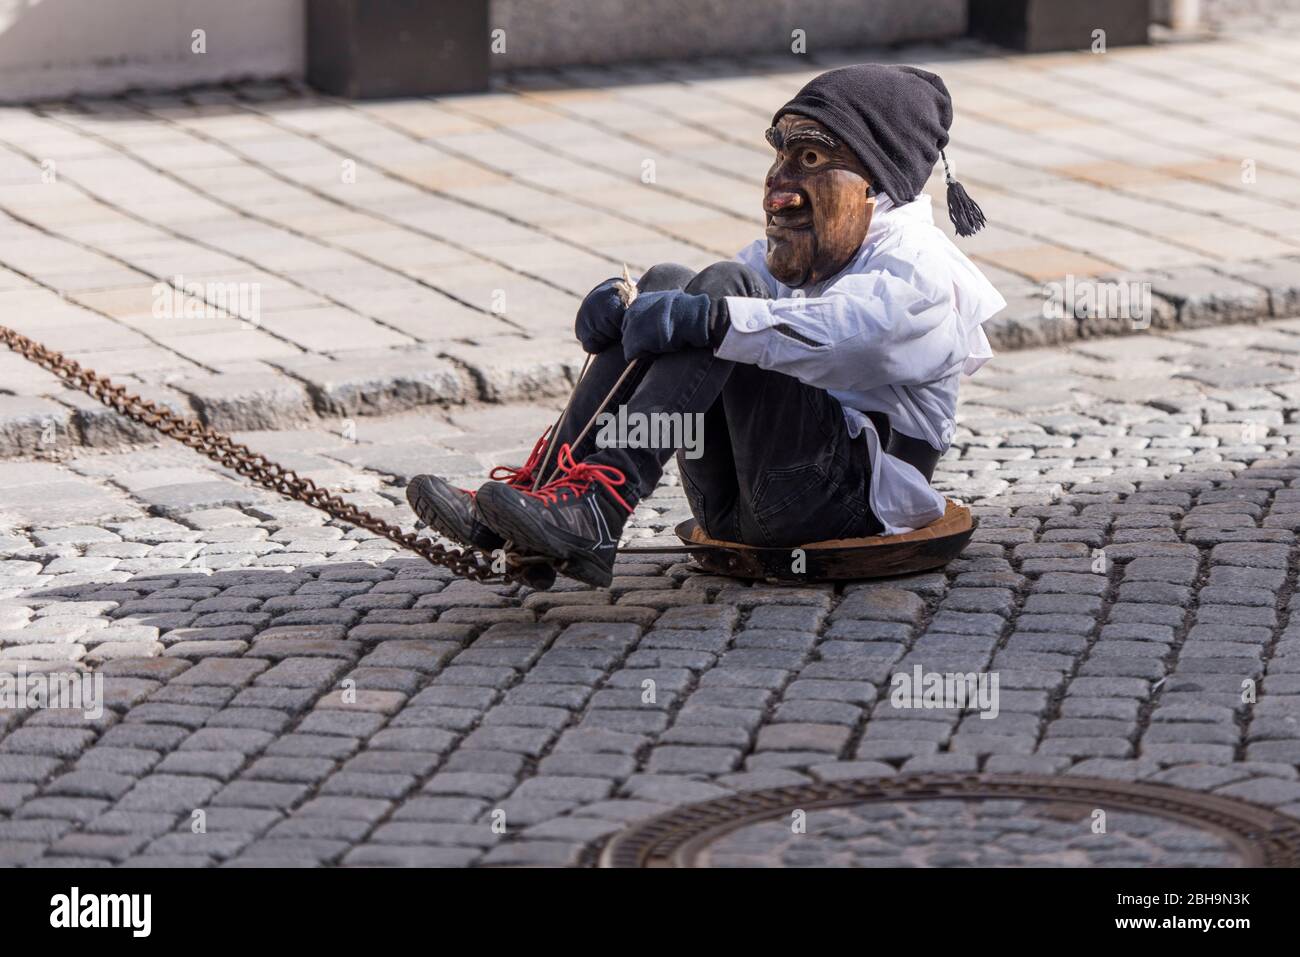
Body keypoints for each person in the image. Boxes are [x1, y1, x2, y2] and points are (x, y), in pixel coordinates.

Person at [407, 63, 1006, 587]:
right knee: (671, 279)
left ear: (876, 176)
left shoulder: (921, 266)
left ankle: (601, 505)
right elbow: (707, 304)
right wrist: (627, 312)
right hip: (736, 504)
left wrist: (709, 316)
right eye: (781, 154)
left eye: (813, 157)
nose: (780, 184)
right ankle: (548, 494)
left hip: (842, 502)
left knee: (719, 299)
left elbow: (858, 335)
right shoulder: (811, 245)